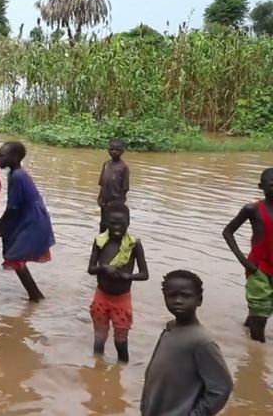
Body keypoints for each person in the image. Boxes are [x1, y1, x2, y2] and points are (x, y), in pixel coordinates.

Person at [140, 270, 233, 416]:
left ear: (199, 300)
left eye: (186, 296)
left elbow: (221, 388)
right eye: (172, 295)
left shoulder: (202, 341)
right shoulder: (170, 328)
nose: (178, 300)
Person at [0, 141, 54, 302]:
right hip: (28, 215)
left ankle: (35, 296)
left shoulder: (18, 176)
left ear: (16, 158)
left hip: (33, 219)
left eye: (3, 155)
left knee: (15, 256)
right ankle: (36, 296)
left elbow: (13, 207)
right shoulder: (14, 174)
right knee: (15, 255)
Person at [88, 202, 149, 362]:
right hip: (101, 297)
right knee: (99, 337)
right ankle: (98, 368)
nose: (117, 227)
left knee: (121, 340)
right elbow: (91, 269)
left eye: (121, 224)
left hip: (122, 299)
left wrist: (128, 277)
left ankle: (121, 369)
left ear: (128, 223)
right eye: (113, 223)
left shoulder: (134, 244)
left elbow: (144, 274)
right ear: (106, 223)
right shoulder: (100, 242)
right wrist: (105, 268)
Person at [222, 167, 273, 342]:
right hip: (259, 266)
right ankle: (257, 356)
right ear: (261, 187)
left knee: (265, 307)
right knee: (260, 312)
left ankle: (248, 326)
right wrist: (244, 261)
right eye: (271, 185)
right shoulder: (252, 209)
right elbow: (228, 232)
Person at [98, 139, 130, 231]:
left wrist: (119, 203)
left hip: (116, 201)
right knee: (103, 222)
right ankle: (101, 242)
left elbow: (125, 188)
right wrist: (100, 197)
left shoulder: (123, 167)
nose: (114, 152)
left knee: (114, 223)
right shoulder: (106, 164)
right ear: (108, 150)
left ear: (122, 152)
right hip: (104, 201)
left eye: (117, 150)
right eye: (112, 149)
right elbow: (102, 183)